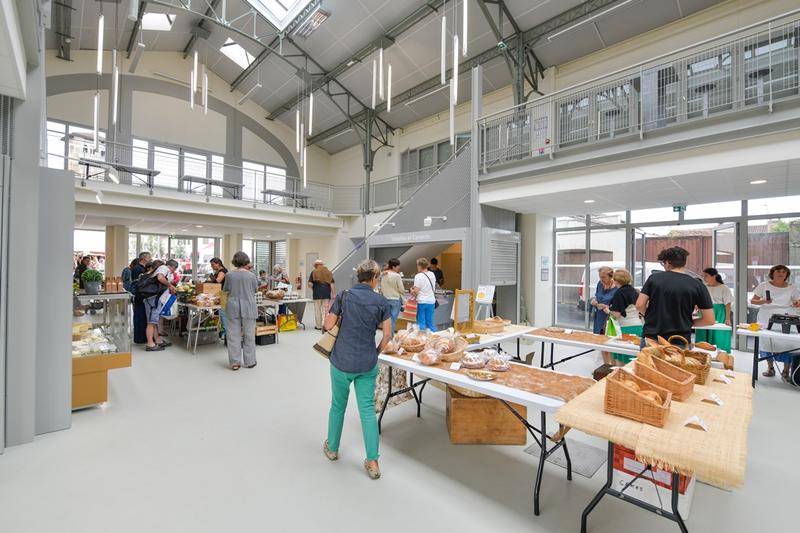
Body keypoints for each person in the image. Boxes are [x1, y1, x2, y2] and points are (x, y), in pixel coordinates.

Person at [323, 259, 391, 480]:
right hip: (366, 363)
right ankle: (372, 461)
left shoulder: (344, 296)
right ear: (374, 278)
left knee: (337, 405)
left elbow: (328, 325)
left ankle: (332, 449)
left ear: (359, 276)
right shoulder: (381, 302)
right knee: (367, 412)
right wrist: (376, 352)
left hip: (341, 360)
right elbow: (388, 335)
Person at [636, 246, 715, 344]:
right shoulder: (697, 284)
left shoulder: (654, 279)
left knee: (649, 360)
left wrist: (651, 317)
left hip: (652, 336)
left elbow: (639, 305)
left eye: (663, 263)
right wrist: (687, 323)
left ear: (668, 263)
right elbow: (709, 320)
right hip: (681, 339)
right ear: (684, 263)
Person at [751, 265, 800, 381]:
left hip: (787, 318)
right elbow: (753, 300)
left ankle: (786, 371)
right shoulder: (764, 285)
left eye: (784, 272)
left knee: (787, 344)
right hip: (767, 316)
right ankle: (770, 368)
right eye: (778, 271)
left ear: (787, 275)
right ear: (772, 273)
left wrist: (797, 303)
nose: (781, 273)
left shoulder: (792, 288)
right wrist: (764, 301)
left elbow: (798, 300)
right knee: (768, 343)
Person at [224, 251, 261, 371]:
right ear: (246, 261)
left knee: (233, 335)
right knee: (249, 334)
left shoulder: (229, 275)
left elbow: (226, 291)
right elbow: (255, 290)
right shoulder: (251, 276)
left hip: (233, 307)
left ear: (235, 262)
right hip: (249, 307)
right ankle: (250, 361)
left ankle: (235, 362)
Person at [607, 269, 643, 365]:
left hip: (626, 329)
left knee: (624, 362)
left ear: (616, 281)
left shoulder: (619, 293)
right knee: (635, 361)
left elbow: (616, 315)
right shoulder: (634, 291)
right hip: (638, 327)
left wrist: (607, 310)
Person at [142, 259, 178, 352]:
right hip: (153, 300)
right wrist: (170, 285)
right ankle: (150, 344)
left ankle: (157, 340)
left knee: (154, 321)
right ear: (173, 267)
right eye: (175, 269)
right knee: (151, 322)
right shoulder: (164, 268)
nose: (174, 271)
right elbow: (160, 278)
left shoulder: (163, 269)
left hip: (155, 299)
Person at [696, 267, 734, 352]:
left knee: (718, 334)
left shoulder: (724, 288)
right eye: (704, 276)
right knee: (703, 332)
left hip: (719, 312)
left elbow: (728, 304)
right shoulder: (704, 287)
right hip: (705, 310)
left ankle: (720, 354)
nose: (704, 278)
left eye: (706, 276)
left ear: (714, 276)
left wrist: (727, 318)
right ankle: (702, 353)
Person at [590, 266, 617, 364]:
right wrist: (594, 301)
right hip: (599, 317)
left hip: (610, 317)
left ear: (611, 276)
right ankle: (605, 365)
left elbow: (618, 305)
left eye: (603, 277)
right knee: (601, 340)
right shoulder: (600, 284)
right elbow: (597, 297)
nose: (601, 279)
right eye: (600, 277)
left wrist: (607, 307)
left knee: (610, 342)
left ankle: (612, 365)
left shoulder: (617, 287)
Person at [411, 258, 437, 332]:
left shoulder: (418, 276)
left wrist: (411, 290)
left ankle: (422, 339)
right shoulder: (432, 274)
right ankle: (433, 338)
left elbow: (416, 292)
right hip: (431, 301)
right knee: (430, 322)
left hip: (422, 302)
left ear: (419, 266)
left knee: (421, 322)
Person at [308, 260, 335, 330]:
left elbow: (310, 284)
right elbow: (332, 284)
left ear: (316, 265)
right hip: (326, 293)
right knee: (325, 310)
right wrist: (333, 294)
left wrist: (311, 286)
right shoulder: (328, 272)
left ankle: (319, 326)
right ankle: (325, 325)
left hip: (317, 294)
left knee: (317, 310)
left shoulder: (313, 272)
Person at [131, 252, 151, 344]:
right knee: (140, 316)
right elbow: (139, 283)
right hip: (139, 295)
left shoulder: (141, 268)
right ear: (144, 258)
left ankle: (142, 336)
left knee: (142, 316)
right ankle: (140, 337)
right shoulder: (138, 269)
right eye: (149, 257)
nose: (150, 258)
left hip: (140, 294)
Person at [380, 258, 405, 332]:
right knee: (392, 320)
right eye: (398, 267)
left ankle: (386, 337)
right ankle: (390, 339)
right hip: (395, 300)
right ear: (394, 267)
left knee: (386, 320)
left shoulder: (383, 274)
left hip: (385, 299)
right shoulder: (397, 276)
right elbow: (402, 290)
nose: (398, 268)